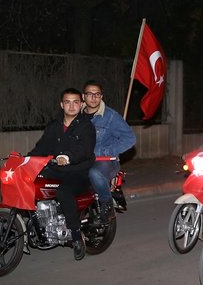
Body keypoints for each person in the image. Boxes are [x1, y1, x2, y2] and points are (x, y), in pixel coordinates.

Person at [28, 88, 96, 261]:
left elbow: (85, 150)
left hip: (78, 172)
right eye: (67, 102)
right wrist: (25, 161)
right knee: (31, 182)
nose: (71, 106)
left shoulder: (86, 126)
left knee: (63, 191)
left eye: (75, 102)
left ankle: (75, 235)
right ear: (62, 104)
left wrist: (67, 157)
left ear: (81, 104)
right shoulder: (54, 125)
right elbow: (41, 147)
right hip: (56, 170)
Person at [82, 81, 136, 223]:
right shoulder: (76, 114)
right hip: (82, 160)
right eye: (89, 94)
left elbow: (130, 138)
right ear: (83, 96)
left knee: (94, 173)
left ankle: (107, 206)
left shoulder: (110, 116)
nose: (93, 98)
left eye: (97, 94)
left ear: (101, 96)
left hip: (105, 162)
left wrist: (106, 151)